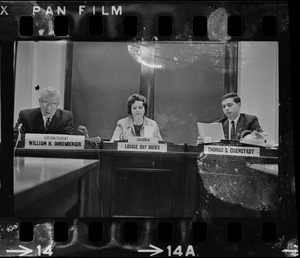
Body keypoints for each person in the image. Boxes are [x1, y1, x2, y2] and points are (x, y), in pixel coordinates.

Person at [197, 92, 263, 144]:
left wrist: (253, 138)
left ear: (239, 105)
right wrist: (202, 143)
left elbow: (261, 140)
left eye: (229, 105)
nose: (226, 109)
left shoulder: (250, 120)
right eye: (224, 106)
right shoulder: (218, 124)